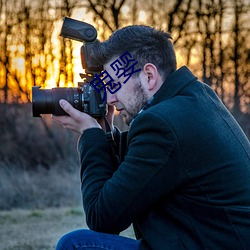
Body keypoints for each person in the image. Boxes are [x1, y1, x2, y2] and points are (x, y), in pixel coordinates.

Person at [52, 25, 250, 250]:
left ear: (148, 75)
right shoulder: (194, 98)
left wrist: (90, 135)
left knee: (77, 244)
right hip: (213, 240)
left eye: (115, 84)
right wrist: (105, 134)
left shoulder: (162, 124)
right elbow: (139, 171)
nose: (111, 98)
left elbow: (103, 219)